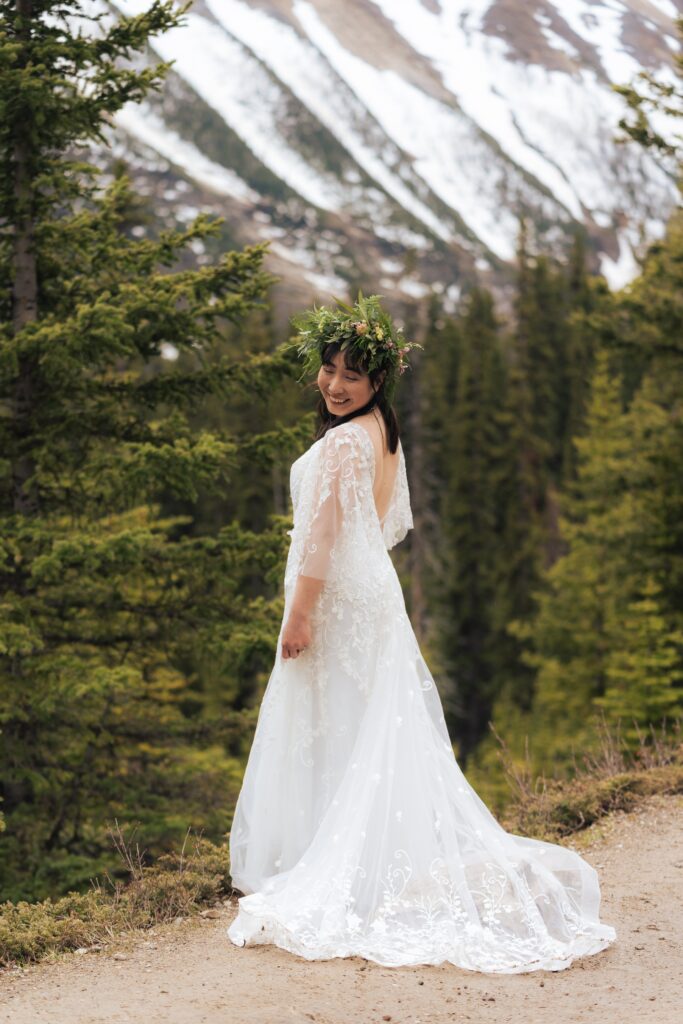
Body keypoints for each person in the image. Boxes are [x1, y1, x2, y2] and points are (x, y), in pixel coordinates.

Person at [227, 295, 616, 972]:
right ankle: (361, 863)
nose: (334, 383)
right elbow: (383, 528)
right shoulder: (380, 430)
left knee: (335, 723)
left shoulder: (346, 439)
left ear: (378, 381)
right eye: (328, 368)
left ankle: (343, 870)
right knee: (362, 726)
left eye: (352, 374)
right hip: (368, 593)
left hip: (338, 600)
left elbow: (321, 536)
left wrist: (299, 611)